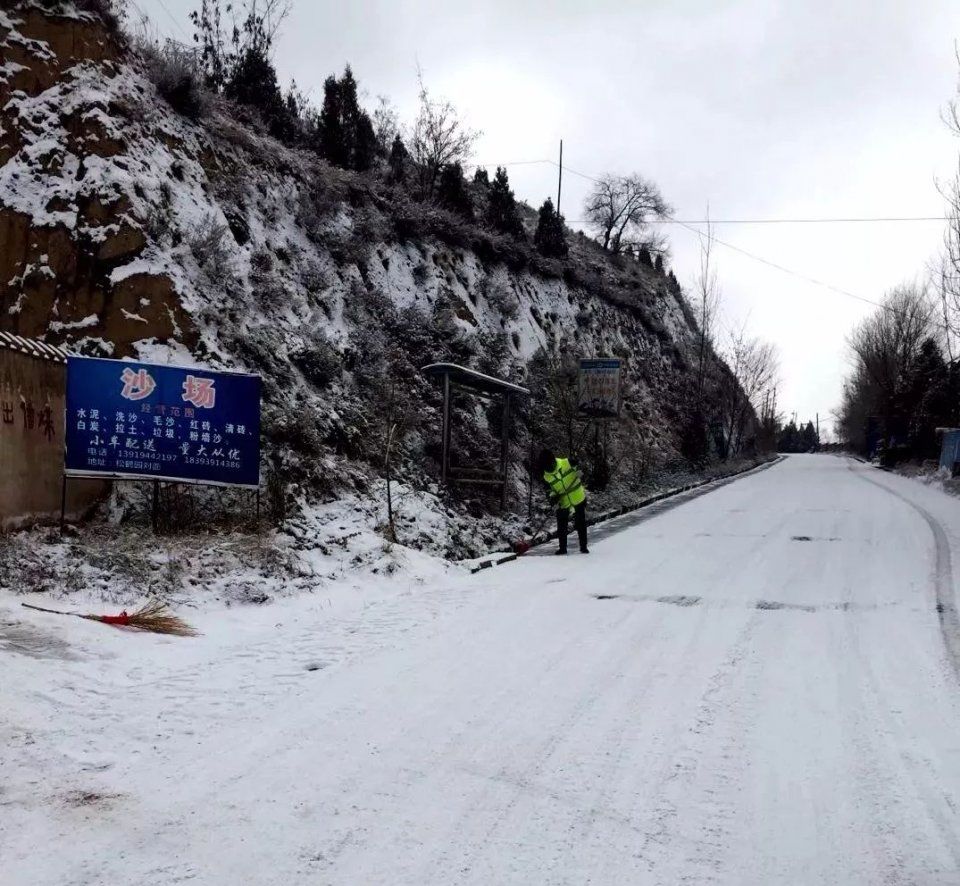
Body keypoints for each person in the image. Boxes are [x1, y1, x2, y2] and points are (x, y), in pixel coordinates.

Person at [538, 447, 588, 555]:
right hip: (562, 500)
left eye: (550, 464)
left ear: (553, 460)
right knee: (561, 524)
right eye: (546, 466)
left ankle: (583, 546)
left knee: (580, 522)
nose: (549, 468)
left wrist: (581, 471)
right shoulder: (546, 477)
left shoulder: (567, 462)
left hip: (577, 496)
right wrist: (553, 498)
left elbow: (583, 468)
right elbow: (549, 491)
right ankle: (562, 548)